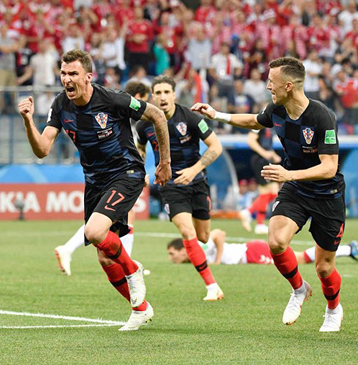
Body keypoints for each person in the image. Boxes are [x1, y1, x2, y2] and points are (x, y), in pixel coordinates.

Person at [18, 49, 171, 331]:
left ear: (89, 77)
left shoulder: (113, 99)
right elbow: (42, 149)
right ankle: (140, 308)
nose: (66, 79)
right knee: (103, 255)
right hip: (95, 182)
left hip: (126, 172)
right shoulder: (60, 104)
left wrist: (164, 163)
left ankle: (133, 269)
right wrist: (28, 121)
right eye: (63, 73)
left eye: (73, 73)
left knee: (94, 232)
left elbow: (158, 116)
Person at [192, 57, 346, 332]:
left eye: (271, 82)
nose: (267, 86)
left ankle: (333, 308)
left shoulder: (322, 116)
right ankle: (299, 289)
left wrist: (289, 175)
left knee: (324, 268)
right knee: (276, 242)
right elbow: (254, 121)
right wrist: (218, 115)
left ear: (289, 85)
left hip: (326, 193)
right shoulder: (276, 108)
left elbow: (329, 167)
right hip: (296, 189)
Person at [136, 75, 224, 302]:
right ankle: (212, 286)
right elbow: (139, 147)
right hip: (170, 185)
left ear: (174, 95)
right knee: (187, 232)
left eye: (167, 92)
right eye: (158, 93)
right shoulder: (144, 123)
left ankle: (215, 241)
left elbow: (216, 147)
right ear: (152, 96)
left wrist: (194, 170)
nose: (163, 97)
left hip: (197, 182)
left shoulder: (192, 119)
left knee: (203, 237)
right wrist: (140, 168)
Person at [54, 81, 151, 277]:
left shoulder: (121, 113)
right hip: (114, 174)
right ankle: (128, 265)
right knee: (106, 222)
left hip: (116, 174)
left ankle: (70, 249)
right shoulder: (119, 110)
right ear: (139, 96)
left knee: (100, 223)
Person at [167, 229, 358, 266]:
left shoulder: (198, 249)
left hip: (251, 252)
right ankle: (348, 249)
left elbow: (219, 234)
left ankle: (348, 249)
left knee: (299, 259)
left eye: (172, 254)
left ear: (183, 249)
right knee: (298, 258)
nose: (171, 258)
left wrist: (217, 260)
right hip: (250, 254)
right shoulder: (192, 259)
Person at [239, 127, 282, 235]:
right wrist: (264, 153)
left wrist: (273, 155)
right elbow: (251, 140)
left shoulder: (271, 126)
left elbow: (267, 146)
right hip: (259, 160)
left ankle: (259, 224)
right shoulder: (259, 123)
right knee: (272, 191)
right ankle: (248, 212)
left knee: (268, 193)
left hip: (265, 160)